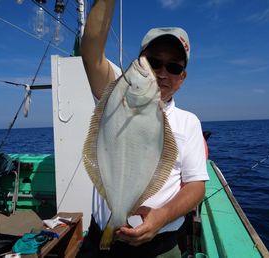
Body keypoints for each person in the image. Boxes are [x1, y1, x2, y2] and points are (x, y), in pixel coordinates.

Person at [78, 1, 209, 257]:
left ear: (182, 78)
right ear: (140, 60)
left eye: (173, 67)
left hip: (159, 247)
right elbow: (91, 54)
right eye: (153, 62)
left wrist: (160, 217)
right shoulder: (116, 94)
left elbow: (196, 186)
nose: (161, 73)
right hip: (99, 239)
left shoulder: (188, 122)